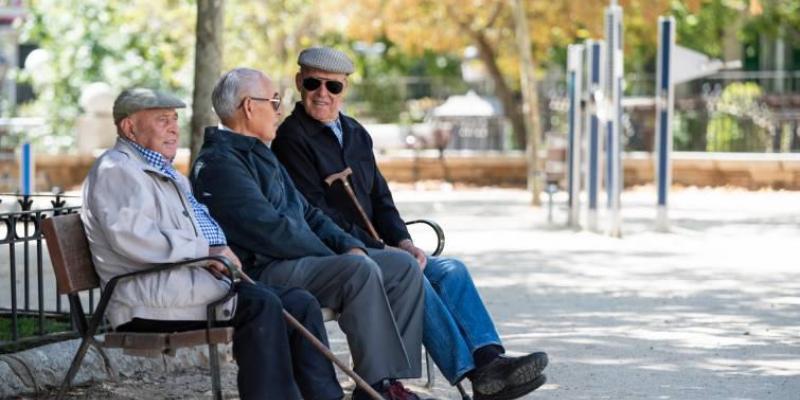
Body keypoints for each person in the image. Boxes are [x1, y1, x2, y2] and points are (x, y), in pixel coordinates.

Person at [272, 46, 549, 400]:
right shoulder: (291, 139)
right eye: (313, 83)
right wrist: (381, 249)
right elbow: (317, 216)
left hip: (381, 249)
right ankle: (472, 376)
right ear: (300, 83)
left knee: (451, 270)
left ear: (345, 88)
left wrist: (402, 241)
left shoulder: (356, 133)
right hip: (341, 256)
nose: (322, 93)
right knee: (411, 272)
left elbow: (382, 199)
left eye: (333, 86)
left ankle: (490, 360)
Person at [81, 88, 343, 400]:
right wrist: (205, 252)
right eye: (162, 120)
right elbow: (131, 238)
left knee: (299, 302)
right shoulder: (117, 169)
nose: (174, 128)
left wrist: (216, 251)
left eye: (175, 119)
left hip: (181, 281)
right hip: (145, 293)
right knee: (261, 304)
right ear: (129, 127)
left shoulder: (164, 171)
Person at [190, 68, 430, 400]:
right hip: (264, 271)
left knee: (400, 267)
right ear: (248, 107)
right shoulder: (220, 163)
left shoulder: (261, 153)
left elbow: (309, 214)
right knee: (356, 269)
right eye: (274, 102)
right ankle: (375, 388)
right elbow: (271, 232)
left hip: (302, 261)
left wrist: (348, 244)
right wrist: (338, 256)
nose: (279, 110)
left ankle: (384, 381)